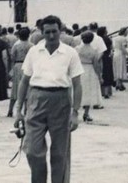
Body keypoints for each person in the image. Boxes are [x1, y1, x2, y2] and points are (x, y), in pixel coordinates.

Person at [13, 16, 82, 183]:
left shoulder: (70, 53)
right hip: (36, 99)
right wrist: (18, 110)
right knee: (32, 150)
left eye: (54, 31)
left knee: (60, 152)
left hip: (61, 100)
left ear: (60, 31)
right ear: (42, 33)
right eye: (47, 32)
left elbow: (77, 85)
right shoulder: (34, 51)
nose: (51, 36)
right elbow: (24, 81)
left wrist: (75, 113)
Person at [76, 31, 102, 123]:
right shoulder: (93, 50)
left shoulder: (77, 49)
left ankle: (75, 112)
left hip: (79, 69)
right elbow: (96, 64)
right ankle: (86, 113)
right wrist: (99, 76)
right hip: (90, 69)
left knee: (78, 89)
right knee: (88, 91)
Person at [8, 26, 32, 118]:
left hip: (18, 66)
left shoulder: (16, 45)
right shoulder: (31, 45)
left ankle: (10, 110)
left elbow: (12, 57)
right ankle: (26, 109)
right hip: (28, 66)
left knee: (15, 88)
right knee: (27, 88)